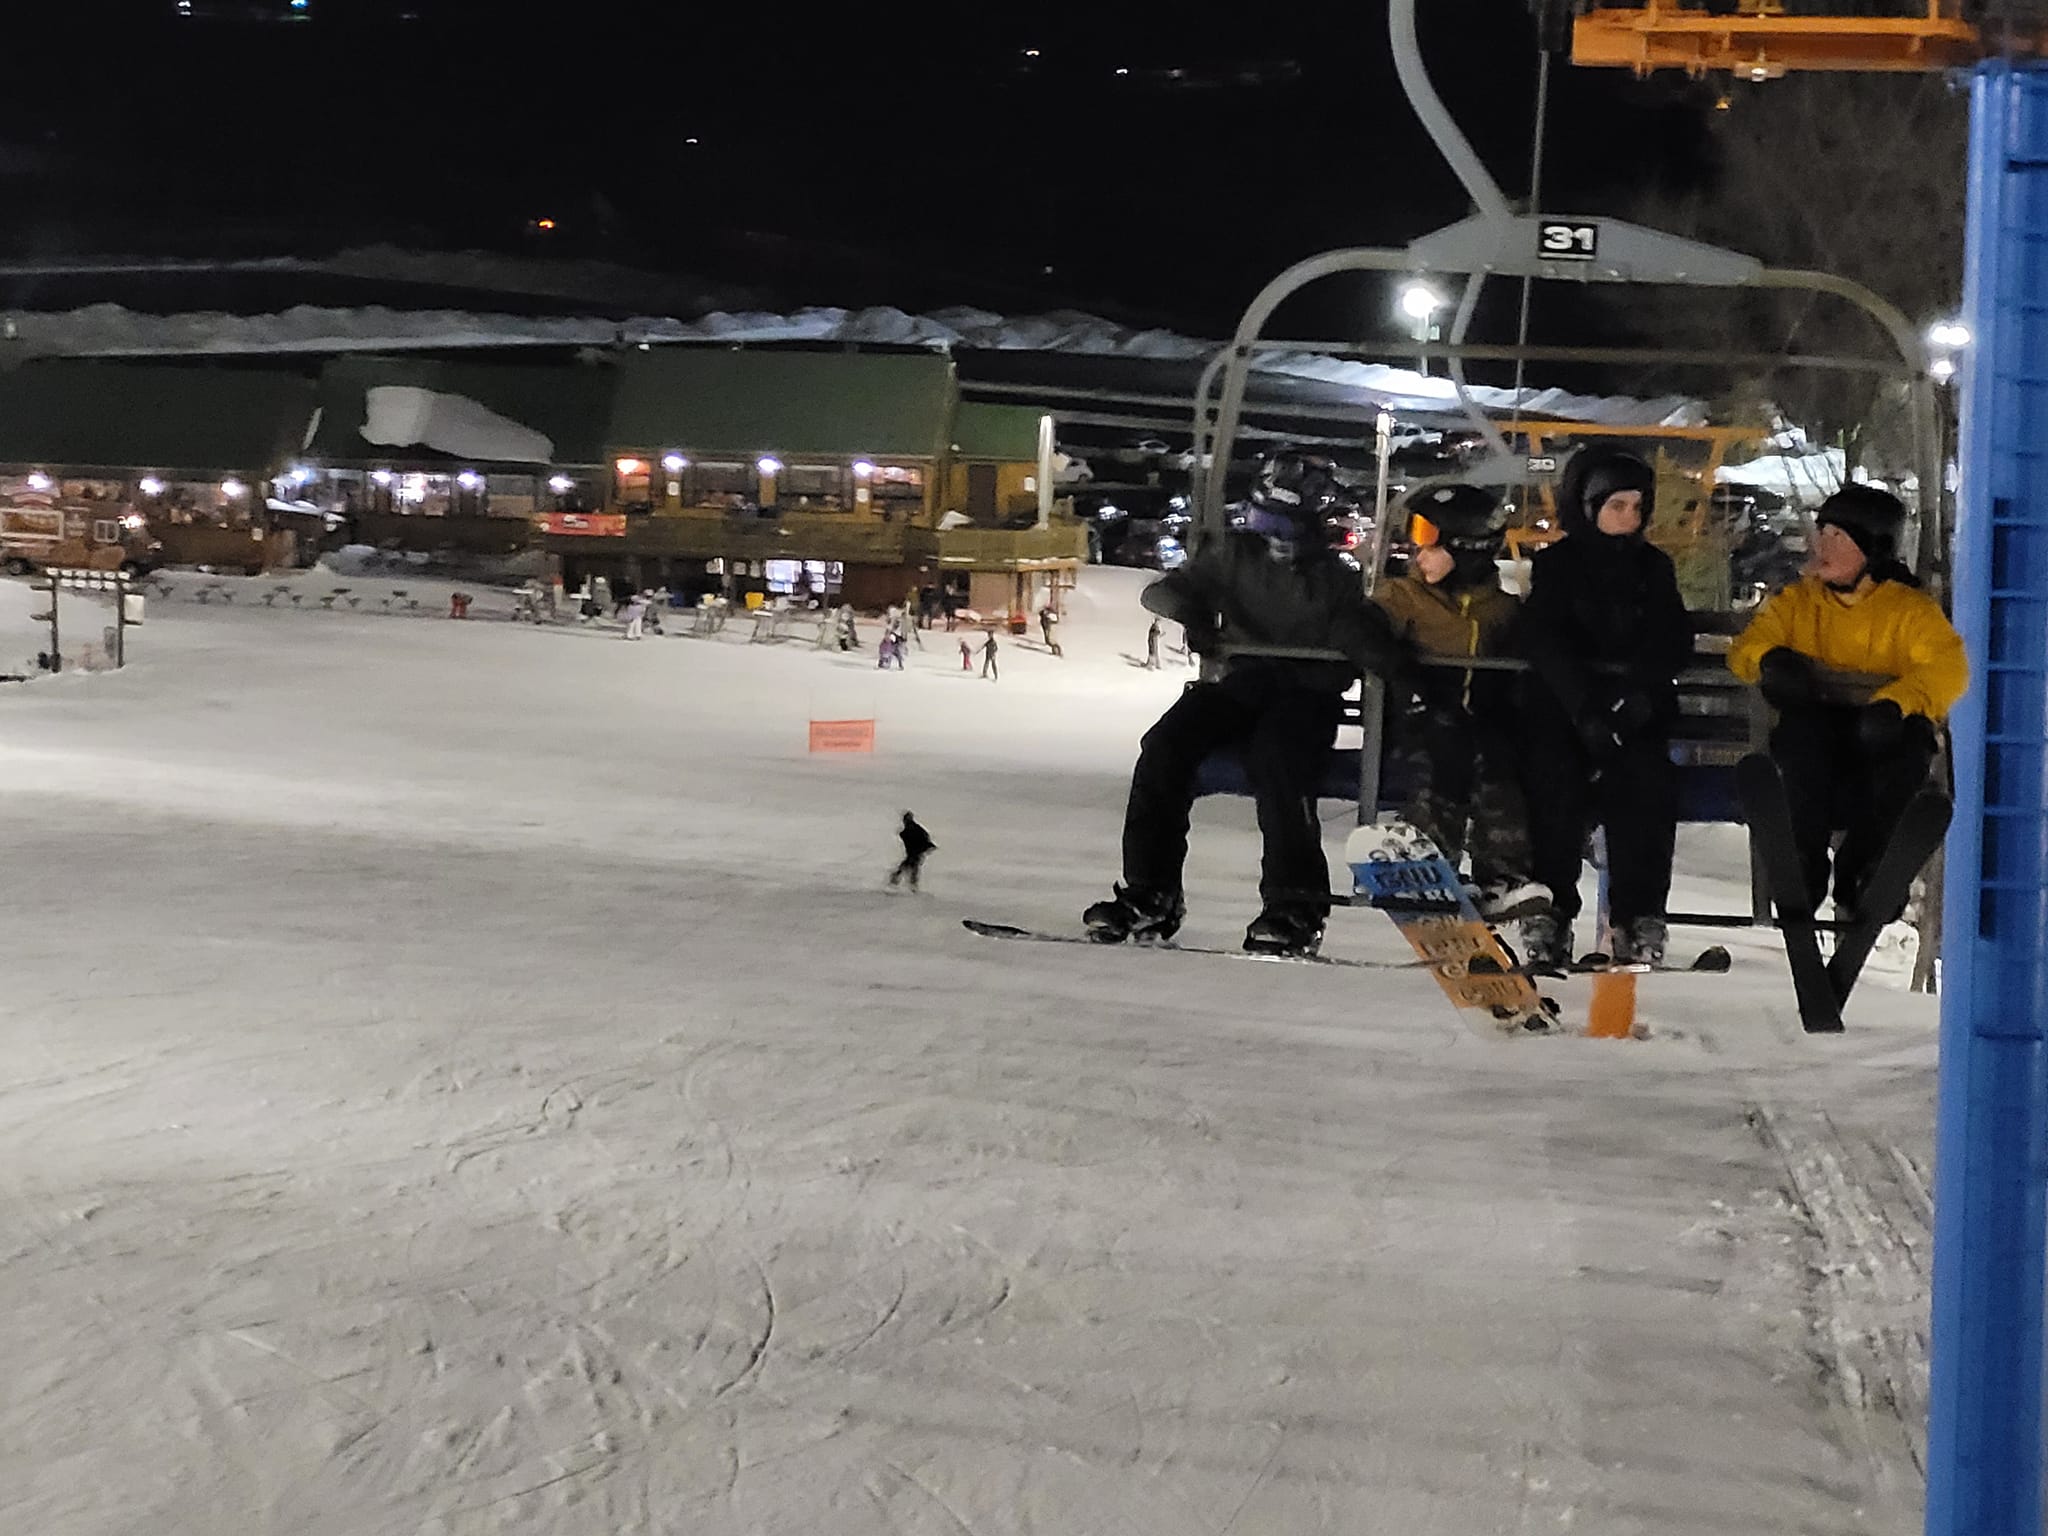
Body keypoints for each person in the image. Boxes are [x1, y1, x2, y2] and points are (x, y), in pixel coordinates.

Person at [1085, 448, 1413, 957]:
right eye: (1265, 522)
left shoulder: (1330, 578)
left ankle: (1295, 901)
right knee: (1165, 746)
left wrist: (1375, 652)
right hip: (1244, 684)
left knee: (1279, 759)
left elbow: (1351, 626)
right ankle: (1150, 889)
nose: (1273, 539)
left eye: (1283, 527)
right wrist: (1192, 612)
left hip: (1307, 694)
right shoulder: (1234, 556)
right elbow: (1165, 592)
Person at [1725, 483, 1966, 921]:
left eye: (1838, 537)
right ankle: (1802, 865)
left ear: (1872, 550)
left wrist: (1896, 703)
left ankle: (1869, 872)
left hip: (1880, 752)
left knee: (1911, 750)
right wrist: (1772, 661)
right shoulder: (1797, 605)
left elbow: (1947, 669)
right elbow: (1747, 648)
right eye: (1823, 533)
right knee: (1800, 738)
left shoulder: (1909, 612)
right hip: (1818, 762)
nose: (1823, 546)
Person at [1515, 446, 1695, 969]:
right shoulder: (1558, 567)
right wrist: (1585, 709)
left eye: (1638, 507)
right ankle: (1551, 909)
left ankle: (1639, 915)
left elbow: (1668, 637)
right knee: (1554, 786)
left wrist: (1637, 697)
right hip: (1568, 714)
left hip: (1633, 715)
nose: (1629, 519)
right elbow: (1546, 639)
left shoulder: (1652, 568)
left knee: (1645, 787)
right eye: (1617, 506)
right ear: (1589, 507)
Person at [1373, 483, 1550, 921]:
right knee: (1443, 758)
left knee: (1499, 765)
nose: (1418, 554)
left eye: (1429, 542)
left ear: (1467, 548)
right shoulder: (1404, 596)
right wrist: (1404, 671)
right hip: (1422, 718)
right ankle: (1432, 858)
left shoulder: (1501, 608)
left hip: (1477, 721)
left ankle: (1501, 876)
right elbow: (1360, 629)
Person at [889, 813, 935, 890]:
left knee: (907, 868)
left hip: (916, 854)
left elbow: (925, 839)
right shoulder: (909, 830)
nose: (904, 821)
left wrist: (928, 846)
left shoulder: (914, 829)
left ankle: (899, 885)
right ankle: (908, 886)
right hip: (914, 854)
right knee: (908, 869)